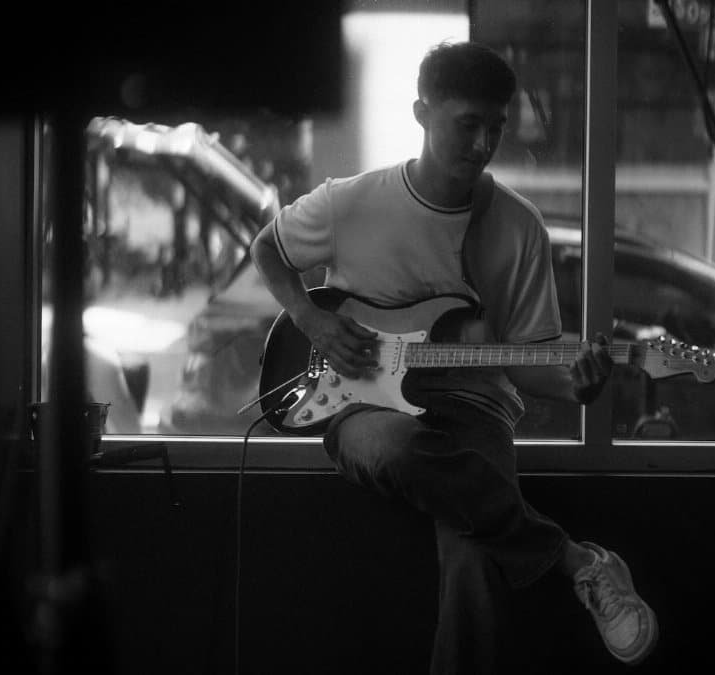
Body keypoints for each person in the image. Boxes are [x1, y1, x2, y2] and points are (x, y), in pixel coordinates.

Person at [249, 41, 658, 672]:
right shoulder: (349, 201)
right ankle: (578, 561)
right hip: (361, 406)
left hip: (475, 409)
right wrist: (313, 320)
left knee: (475, 554)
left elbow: (524, 360)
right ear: (421, 113)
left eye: (497, 127)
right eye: (468, 124)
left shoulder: (519, 226)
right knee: (398, 447)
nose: (484, 143)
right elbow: (266, 250)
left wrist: (577, 385)